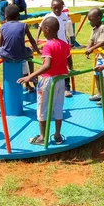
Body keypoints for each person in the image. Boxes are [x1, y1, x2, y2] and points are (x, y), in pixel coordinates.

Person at [17, 17, 73, 146]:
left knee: (42, 108)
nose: (41, 31)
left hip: (48, 80)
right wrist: (71, 69)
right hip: (60, 81)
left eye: (41, 29)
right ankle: (57, 135)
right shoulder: (64, 44)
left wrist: (30, 76)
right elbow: (69, 59)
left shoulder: (48, 45)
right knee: (58, 107)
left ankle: (43, 137)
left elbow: (47, 65)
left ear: (47, 29)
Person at [0, 4, 41, 92]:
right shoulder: (23, 25)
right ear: (18, 16)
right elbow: (32, 40)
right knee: (30, 52)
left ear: (5, 16)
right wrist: (37, 51)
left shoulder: (3, 26)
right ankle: (32, 75)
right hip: (21, 54)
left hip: (6, 54)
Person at [37, 0, 73, 97]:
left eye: (59, 8)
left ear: (62, 7)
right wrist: (37, 38)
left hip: (62, 44)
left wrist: (71, 39)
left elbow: (68, 28)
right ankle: (51, 84)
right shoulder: (48, 16)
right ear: (51, 8)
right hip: (51, 44)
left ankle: (66, 88)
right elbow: (40, 27)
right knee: (50, 64)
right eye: (54, 8)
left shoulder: (65, 16)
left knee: (64, 65)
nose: (57, 10)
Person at [84, 8, 104, 106]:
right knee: (97, 74)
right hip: (100, 56)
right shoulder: (94, 29)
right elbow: (91, 40)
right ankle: (99, 94)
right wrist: (88, 49)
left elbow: (102, 42)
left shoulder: (102, 28)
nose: (90, 22)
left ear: (98, 19)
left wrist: (91, 48)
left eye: (91, 20)